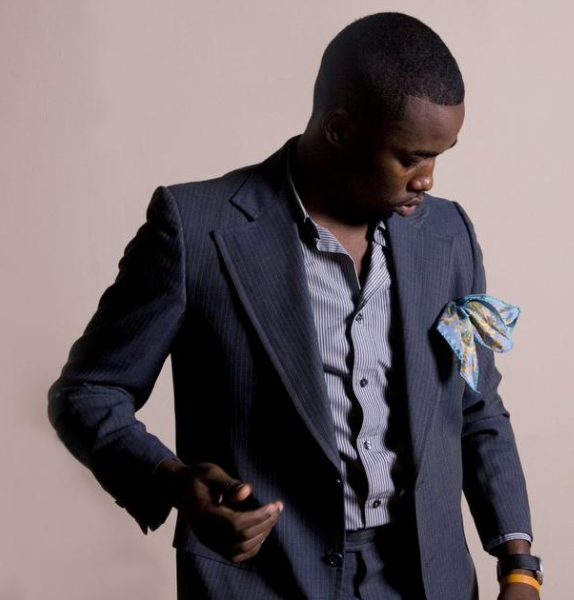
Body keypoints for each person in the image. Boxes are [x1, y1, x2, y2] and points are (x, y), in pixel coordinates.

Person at [47, 11, 543, 600]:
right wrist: (174, 481)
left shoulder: (448, 235)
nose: (428, 179)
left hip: (427, 580)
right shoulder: (197, 231)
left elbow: (477, 404)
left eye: (440, 155)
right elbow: (88, 392)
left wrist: (518, 563)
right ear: (339, 130)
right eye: (410, 157)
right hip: (266, 580)